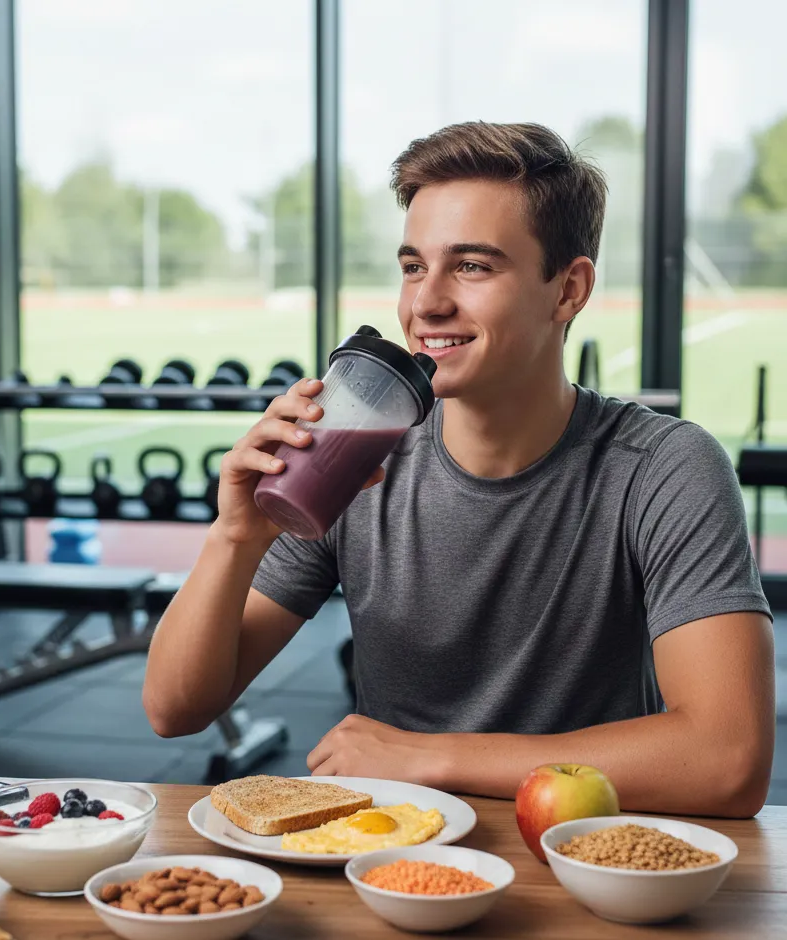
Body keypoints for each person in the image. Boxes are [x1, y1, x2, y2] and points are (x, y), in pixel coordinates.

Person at [143, 122, 775, 817]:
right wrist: (235, 536)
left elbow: (728, 759)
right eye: (413, 267)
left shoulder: (664, 469)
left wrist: (432, 758)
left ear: (568, 290)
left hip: (581, 854)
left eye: (472, 266)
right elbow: (176, 708)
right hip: (392, 852)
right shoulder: (356, 459)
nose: (426, 303)